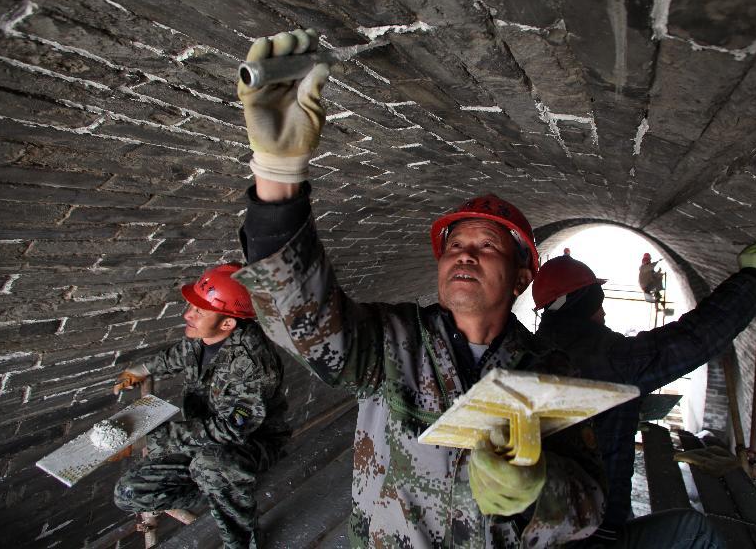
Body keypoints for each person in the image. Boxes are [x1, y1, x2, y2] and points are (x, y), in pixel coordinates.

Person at [231, 29, 606, 547]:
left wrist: (536, 491)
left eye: (487, 246)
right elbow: (304, 321)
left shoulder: (549, 373)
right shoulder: (392, 342)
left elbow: (591, 505)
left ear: (523, 276)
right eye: (454, 246)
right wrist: (278, 178)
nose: (464, 254)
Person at [533, 243, 756, 547]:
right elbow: (696, 337)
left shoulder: (535, 350)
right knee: (694, 531)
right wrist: (750, 277)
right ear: (583, 304)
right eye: (598, 302)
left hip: (551, 527)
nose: (604, 311)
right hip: (591, 535)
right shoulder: (610, 358)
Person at [111, 263, 289, 549]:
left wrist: (150, 437)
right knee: (129, 493)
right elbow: (180, 354)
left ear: (228, 323)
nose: (187, 315)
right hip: (201, 439)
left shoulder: (253, 364)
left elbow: (232, 430)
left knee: (213, 465)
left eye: (199, 311)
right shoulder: (206, 337)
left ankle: (243, 540)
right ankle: (219, 490)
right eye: (191, 307)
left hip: (249, 444)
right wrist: (141, 368)